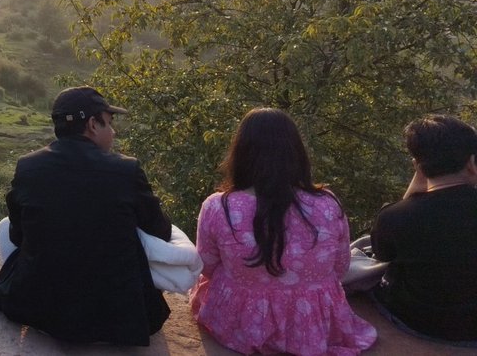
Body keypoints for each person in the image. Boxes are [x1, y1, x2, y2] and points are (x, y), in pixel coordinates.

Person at [0, 86, 172, 346]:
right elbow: (160, 231)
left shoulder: (28, 166)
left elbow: (17, 235)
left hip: (38, 307)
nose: (113, 131)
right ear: (92, 125)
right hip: (117, 317)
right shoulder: (126, 170)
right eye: (108, 123)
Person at [190, 108, 376, 355]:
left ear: (241, 154)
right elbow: (340, 267)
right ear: (296, 153)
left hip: (241, 323)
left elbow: (207, 267)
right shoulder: (328, 204)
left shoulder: (217, 206)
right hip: (312, 324)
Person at [370, 114, 477, 344]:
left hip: (421, 323)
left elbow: (383, 256)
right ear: (471, 162)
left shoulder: (393, 217)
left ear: (417, 166)